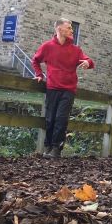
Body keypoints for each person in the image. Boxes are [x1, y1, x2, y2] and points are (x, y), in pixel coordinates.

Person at [32, 19, 94, 158]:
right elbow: (35, 60)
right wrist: (39, 74)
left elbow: (89, 61)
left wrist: (87, 62)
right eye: (69, 27)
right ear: (60, 29)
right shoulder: (47, 47)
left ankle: (56, 149)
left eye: (71, 28)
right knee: (50, 118)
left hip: (68, 90)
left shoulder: (76, 50)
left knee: (61, 118)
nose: (72, 30)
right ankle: (47, 147)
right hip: (52, 87)